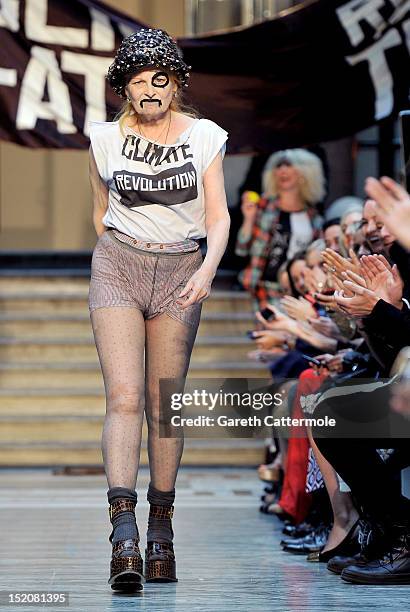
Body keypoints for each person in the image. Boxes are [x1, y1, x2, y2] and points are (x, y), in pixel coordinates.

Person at [88, 28, 230, 592]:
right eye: (140, 80)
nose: (151, 89)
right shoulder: (102, 139)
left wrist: (206, 268)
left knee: (164, 405)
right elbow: (99, 212)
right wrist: (118, 253)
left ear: (176, 84)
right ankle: (124, 535)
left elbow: (218, 215)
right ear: (125, 87)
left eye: (160, 78)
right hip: (120, 264)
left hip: (182, 270)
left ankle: (161, 531)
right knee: (123, 398)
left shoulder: (204, 137)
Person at [235, 149, 325, 310]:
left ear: (305, 173)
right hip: (266, 287)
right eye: (278, 166)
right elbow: (241, 249)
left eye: (288, 165)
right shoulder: (262, 207)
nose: (282, 170)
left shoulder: (313, 217)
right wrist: (248, 219)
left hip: (300, 287)